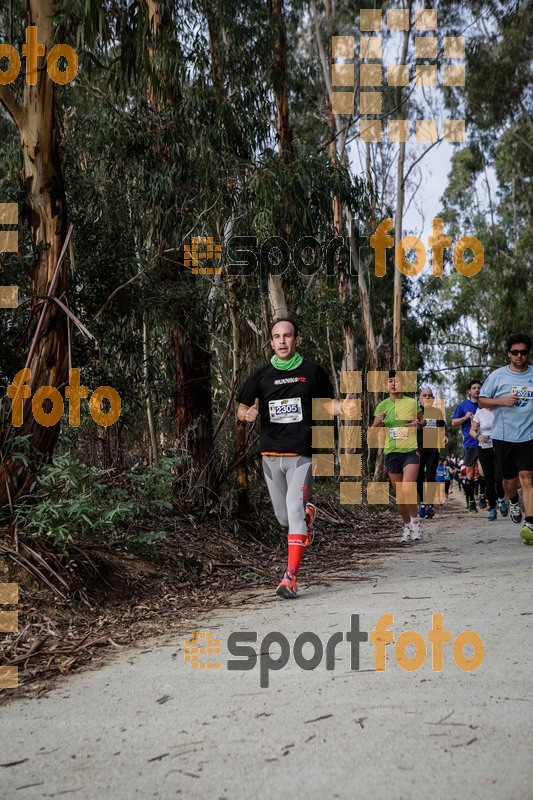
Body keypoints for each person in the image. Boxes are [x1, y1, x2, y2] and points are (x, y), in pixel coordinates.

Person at [236, 318, 356, 598]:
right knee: (284, 518)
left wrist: (343, 408)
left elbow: (327, 404)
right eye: (277, 337)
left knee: (292, 506)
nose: (282, 341)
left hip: (301, 454)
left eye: (287, 336)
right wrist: (247, 414)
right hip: (269, 456)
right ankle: (307, 516)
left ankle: (290, 577)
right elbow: (241, 409)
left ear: (297, 340)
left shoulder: (312, 371)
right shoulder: (261, 375)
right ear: (271, 342)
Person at [478, 333, 533, 544]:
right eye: (515, 352)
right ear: (509, 353)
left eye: (523, 352)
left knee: (528, 478)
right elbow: (481, 401)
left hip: (529, 436)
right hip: (504, 437)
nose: (519, 356)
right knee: (510, 483)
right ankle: (513, 501)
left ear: (527, 353)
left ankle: (530, 523)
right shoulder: (497, 376)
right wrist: (501, 400)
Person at [372, 371, 425, 543]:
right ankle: (407, 525)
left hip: (410, 451)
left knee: (408, 488)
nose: (393, 384)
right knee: (401, 495)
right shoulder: (383, 405)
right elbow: (373, 430)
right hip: (391, 452)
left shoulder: (411, 403)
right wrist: (378, 421)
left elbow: (423, 420)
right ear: (387, 385)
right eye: (390, 381)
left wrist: (418, 423)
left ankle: (416, 523)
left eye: (397, 381)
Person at [469, 407, 507, 521]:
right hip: (484, 448)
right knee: (489, 480)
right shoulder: (480, 413)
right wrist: (477, 436)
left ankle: (500, 499)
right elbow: (472, 430)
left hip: (499, 446)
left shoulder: (500, 410)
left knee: (499, 477)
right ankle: (492, 508)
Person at [417, 387, 447, 519]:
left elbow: (442, 427)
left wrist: (445, 435)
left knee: (430, 477)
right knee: (418, 478)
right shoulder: (415, 411)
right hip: (417, 448)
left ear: (433, 399)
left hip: (432, 450)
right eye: (425, 395)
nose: (427, 398)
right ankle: (423, 502)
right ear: (420, 398)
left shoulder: (437, 412)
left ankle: (428, 504)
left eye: (430, 396)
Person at [452, 379, 482, 512]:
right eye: (474, 388)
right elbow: (453, 422)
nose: (477, 390)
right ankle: (471, 501)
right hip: (470, 443)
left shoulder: (485, 404)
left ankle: (482, 495)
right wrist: (465, 417)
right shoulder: (463, 406)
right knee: (470, 474)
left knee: (484, 471)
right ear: (469, 391)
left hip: (485, 442)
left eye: (478, 388)